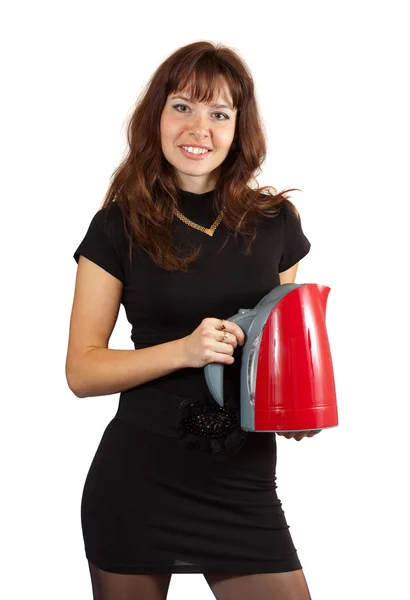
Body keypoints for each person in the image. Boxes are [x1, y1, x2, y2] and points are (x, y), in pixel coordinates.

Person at [66, 40, 317, 600]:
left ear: (238, 128)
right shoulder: (115, 228)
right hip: (139, 479)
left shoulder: (277, 224)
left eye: (218, 113)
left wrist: (295, 408)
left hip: (243, 479)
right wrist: (184, 349)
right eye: (182, 106)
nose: (198, 128)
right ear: (156, 116)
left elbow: (278, 354)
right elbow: (82, 371)